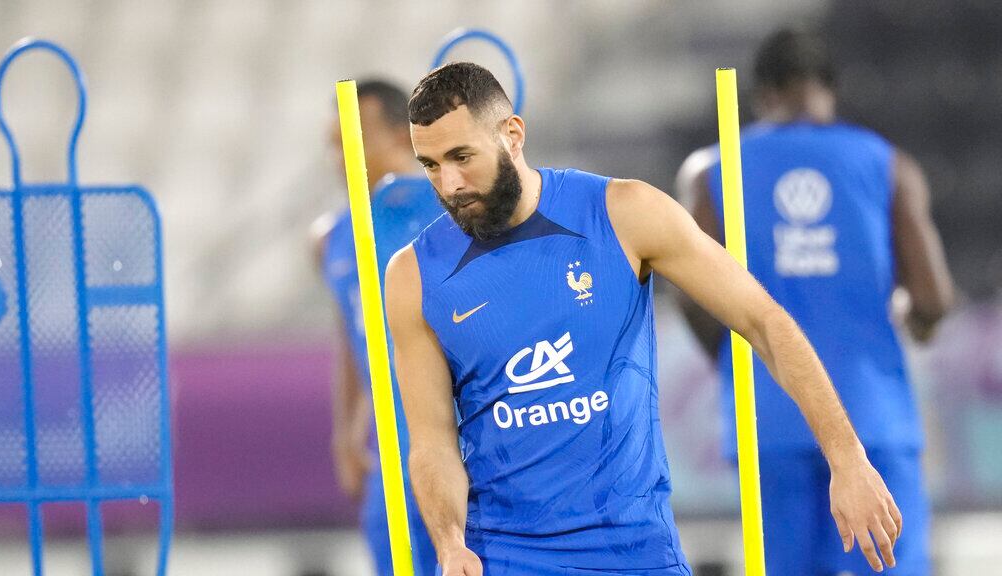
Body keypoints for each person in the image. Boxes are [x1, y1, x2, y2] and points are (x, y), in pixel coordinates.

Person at [384, 62, 902, 576]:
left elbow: (764, 321)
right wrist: (451, 547)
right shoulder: (413, 275)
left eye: (461, 156)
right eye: (429, 164)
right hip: (506, 558)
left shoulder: (624, 213)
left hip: (637, 552)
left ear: (512, 135)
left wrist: (847, 457)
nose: (449, 183)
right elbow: (431, 440)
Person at [675, 28, 954, 576]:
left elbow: (691, 300)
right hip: (871, 415)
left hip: (767, 420)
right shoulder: (887, 164)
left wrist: (737, 363)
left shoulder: (710, 172)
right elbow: (932, 298)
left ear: (762, 92)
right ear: (829, 87)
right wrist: (915, 324)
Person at [311, 79, 442, 575]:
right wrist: (346, 432)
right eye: (333, 141)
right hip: (388, 458)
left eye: (352, 137)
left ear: (399, 135)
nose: (339, 155)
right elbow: (349, 333)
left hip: (462, 444)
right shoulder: (330, 239)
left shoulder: (452, 215)